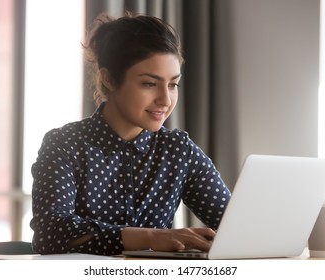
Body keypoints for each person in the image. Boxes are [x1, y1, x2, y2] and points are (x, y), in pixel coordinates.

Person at [30, 13, 231, 256]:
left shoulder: (179, 150)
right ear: (109, 79)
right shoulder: (64, 144)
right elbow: (51, 233)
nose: (165, 100)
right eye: (149, 83)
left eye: (172, 84)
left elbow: (236, 226)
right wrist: (151, 237)